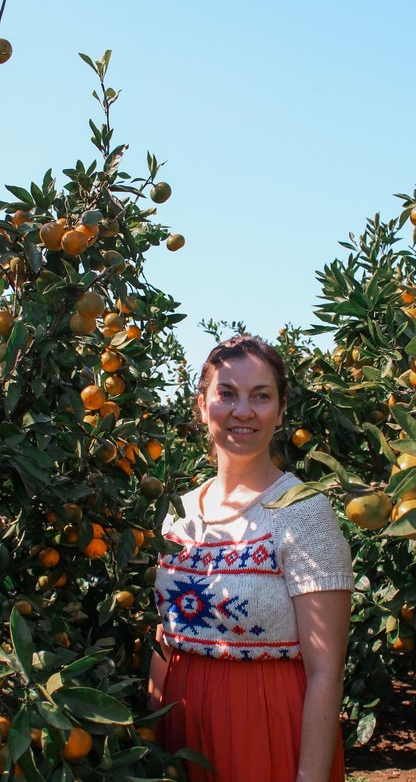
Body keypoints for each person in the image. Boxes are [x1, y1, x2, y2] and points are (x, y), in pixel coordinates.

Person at [148, 335, 354, 782]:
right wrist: (149, 736)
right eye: (227, 394)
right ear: (202, 405)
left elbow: (326, 672)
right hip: (179, 726)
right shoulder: (178, 512)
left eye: (261, 396)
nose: (243, 411)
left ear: (280, 412)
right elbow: (165, 633)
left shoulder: (303, 512)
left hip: (264, 726)